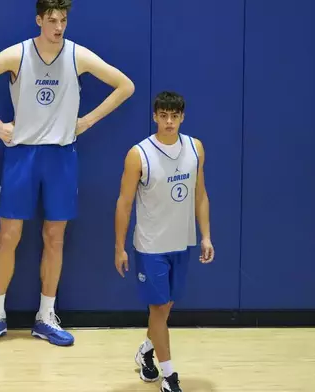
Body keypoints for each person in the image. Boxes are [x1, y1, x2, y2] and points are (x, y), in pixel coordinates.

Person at [0, 0, 135, 347]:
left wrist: (86, 121)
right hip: (21, 155)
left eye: (64, 20)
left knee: (55, 237)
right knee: (8, 235)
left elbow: (125, 86)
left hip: (62, 156)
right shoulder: (18, 55)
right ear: (39, 20)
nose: (58, 26)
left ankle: (46, 315)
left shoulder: (77, 56)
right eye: (52, 19)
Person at [114, 91, 214, 392]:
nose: (169, 121)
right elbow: (124, 203)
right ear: (155, 117)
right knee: (158, 310)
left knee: (166, 307)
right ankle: (169, 377)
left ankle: (147, 349)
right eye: (163, 116)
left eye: (175, 116)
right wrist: (119, 246)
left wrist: (206, 235)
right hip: (150, 246)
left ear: (182, 117)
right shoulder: (139, 154)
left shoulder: (195, 149)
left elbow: (200, 194)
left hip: (182, 243)